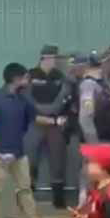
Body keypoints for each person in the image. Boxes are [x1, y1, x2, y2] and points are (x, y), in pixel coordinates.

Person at [0, 63, 51, 218]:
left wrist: (56, 121)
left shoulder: (23, 100)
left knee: (25, 188)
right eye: (26, 77)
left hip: (19, 154)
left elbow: (35, 117)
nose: (28, 80)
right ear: (16, 79)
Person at [27, 45, 72, 209]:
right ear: (45, 58)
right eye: (54, 58)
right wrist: (41, 114)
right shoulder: (30, 75)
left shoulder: (60, 76)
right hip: (34, 123)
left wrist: (51, 113)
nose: (56, 62)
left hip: (55, 123)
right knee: (30, 159)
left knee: (58, 160)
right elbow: (27, 98)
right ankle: (28, 198)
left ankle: (58, 199)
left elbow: (64, 97)